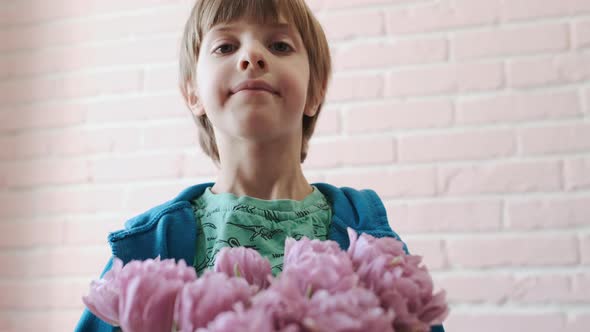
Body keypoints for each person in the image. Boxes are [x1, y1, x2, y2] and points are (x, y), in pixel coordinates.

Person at [75, 0, 445, 331]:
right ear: (193, 92)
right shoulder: (148, 247)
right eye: (226, 46)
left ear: (314, 90)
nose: (251, 56)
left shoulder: (369, 235)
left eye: (279, 45)